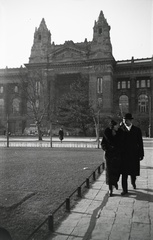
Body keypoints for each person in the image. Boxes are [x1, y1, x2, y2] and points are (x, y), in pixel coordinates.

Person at [120, 113, 144, 195]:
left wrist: (141, 154)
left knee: (133, 172)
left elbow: (140, 143)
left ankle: (133, 182)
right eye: (123, 120)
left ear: (130, 120)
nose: (124, 122)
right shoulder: (121, 129)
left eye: (126, 120)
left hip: (134, 154)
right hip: (124, 155)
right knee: (124, 173)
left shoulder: (137, 130)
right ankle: (125, 189)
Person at [101, 120, 123, 196]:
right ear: (113, 126)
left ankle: (115, 182)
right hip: (109, 155)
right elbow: (103, 143)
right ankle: (110, 188)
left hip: (117, 154)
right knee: (109, 172)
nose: (118, 127)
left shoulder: (120, 133)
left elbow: (122, 143)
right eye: (116, 125)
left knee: (117, 171)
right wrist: (106, 148)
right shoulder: (107, 133)